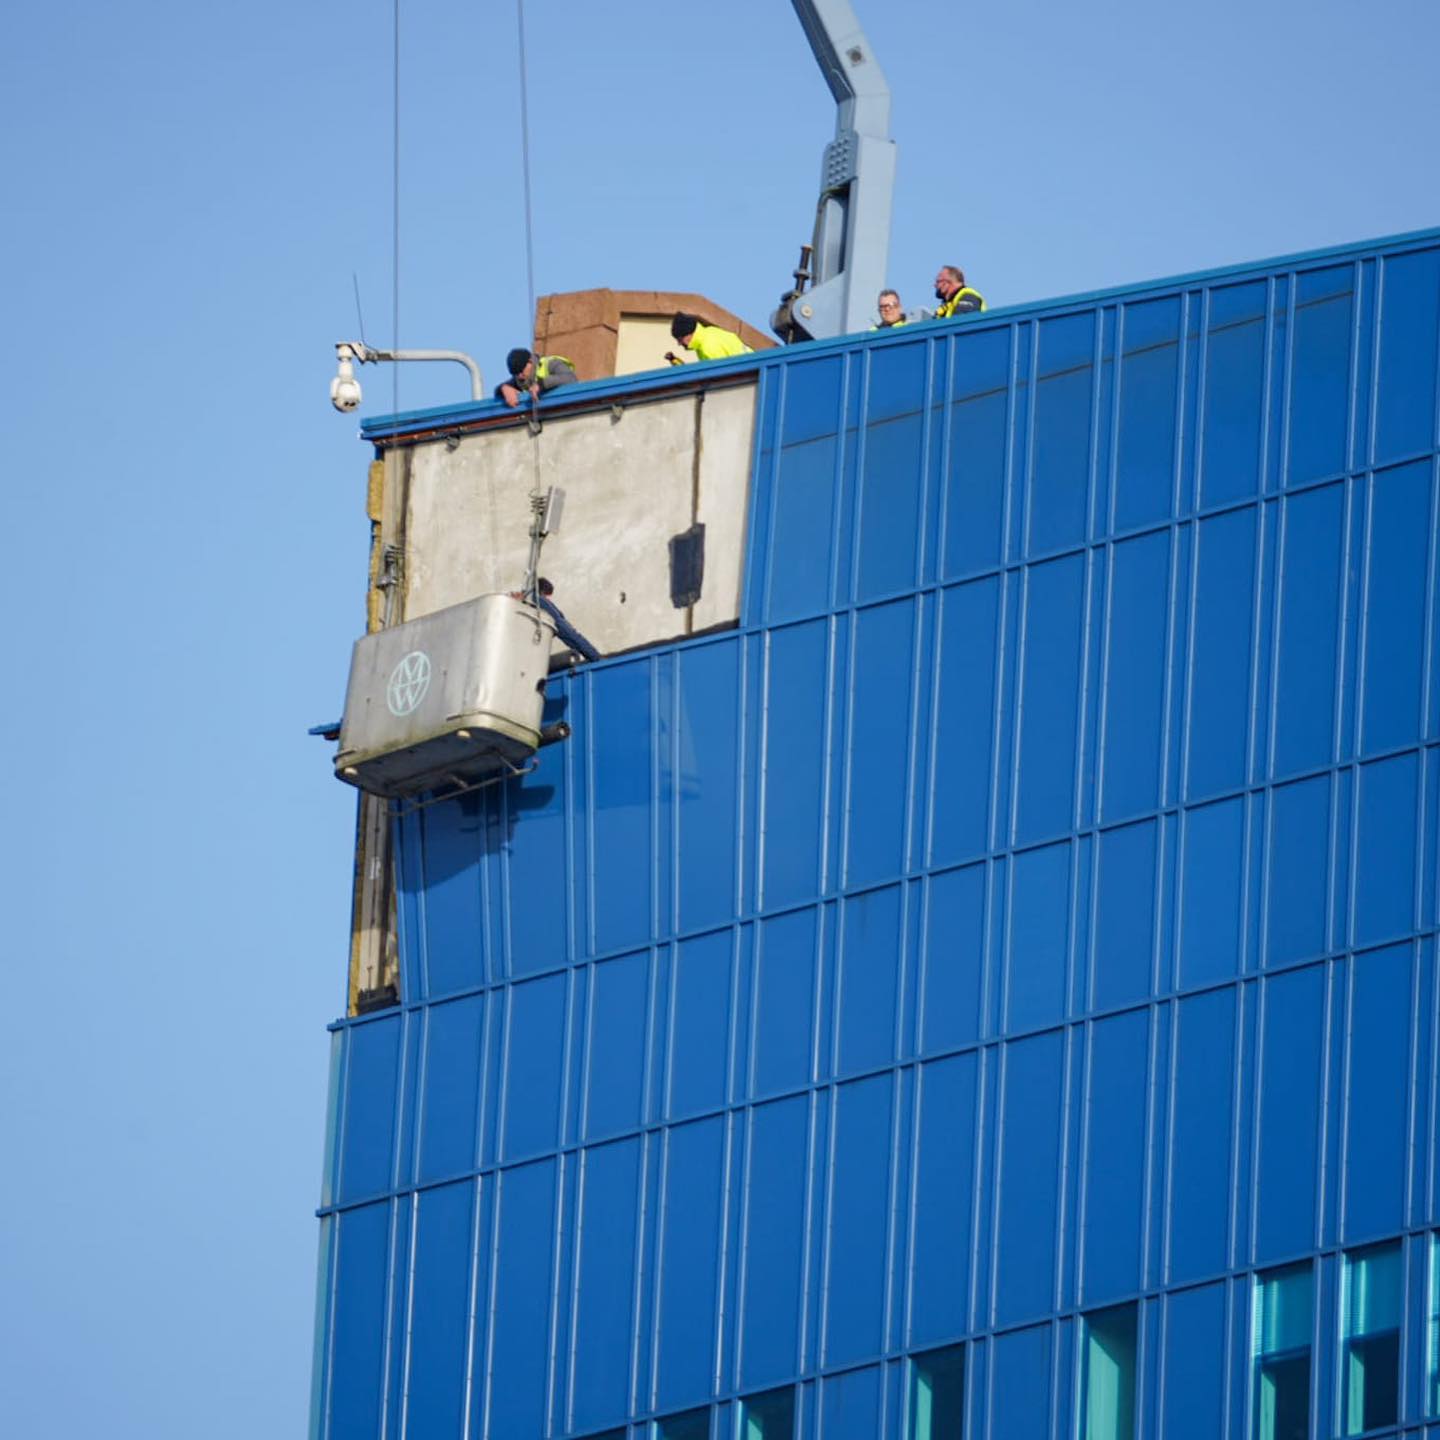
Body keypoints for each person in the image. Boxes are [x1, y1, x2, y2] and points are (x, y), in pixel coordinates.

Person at [536, 577, 599, 663]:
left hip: (557, 622)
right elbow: (558, 617)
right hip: (558, 622)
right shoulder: (538, 598)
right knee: (575, 638)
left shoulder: (537, 599)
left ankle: (594, 657)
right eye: (546, 596)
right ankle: (595, 657)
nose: (548, 599)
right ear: (542, 591)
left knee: (573, 641)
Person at [496, 348, 578, 408]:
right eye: (516, 373)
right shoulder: (519, 379)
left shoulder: (550, 364)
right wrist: (504, 388)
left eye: (521, 370)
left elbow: (570, 378)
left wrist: (541, 385)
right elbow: (498, 391)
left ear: (530, 361)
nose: (520, 376)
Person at [665, 313, 752, 364]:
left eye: (680, 339)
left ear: (689, 334)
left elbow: (720, 375)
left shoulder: (709, 346)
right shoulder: (708, 335)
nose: (679, 344)